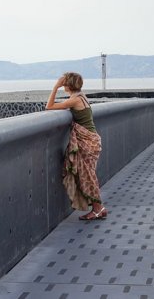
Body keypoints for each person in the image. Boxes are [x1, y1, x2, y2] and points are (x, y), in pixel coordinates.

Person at [46, 72, 107, 221]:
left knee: (88, 175)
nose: (63, 84)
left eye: (64, 82)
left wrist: (55, 87)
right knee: (89, 174)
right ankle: (99, 208)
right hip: (92, 140)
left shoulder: (74, 100)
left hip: (87, 141)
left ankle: (98, 209)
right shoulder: (81, 96)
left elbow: (49, 106)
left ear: (68, 84)